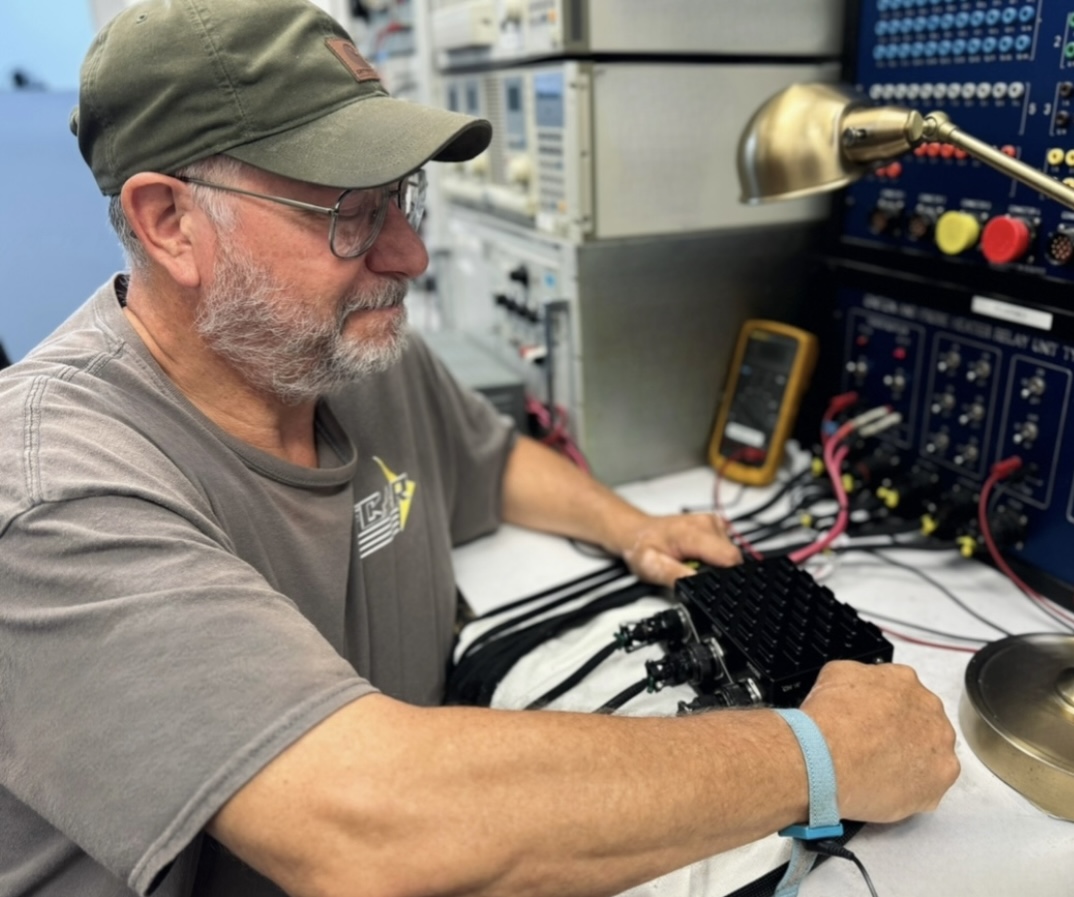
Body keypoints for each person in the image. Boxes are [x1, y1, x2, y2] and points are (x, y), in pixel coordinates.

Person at [0, 0, 959, 895]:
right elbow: (367, 829)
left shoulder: (334, 352)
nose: (408, 254)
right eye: (350, 212)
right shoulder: (52, 488)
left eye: (401, 198)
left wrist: (630, 525)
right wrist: (818, 755)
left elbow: (488, 459)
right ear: (171, 222)